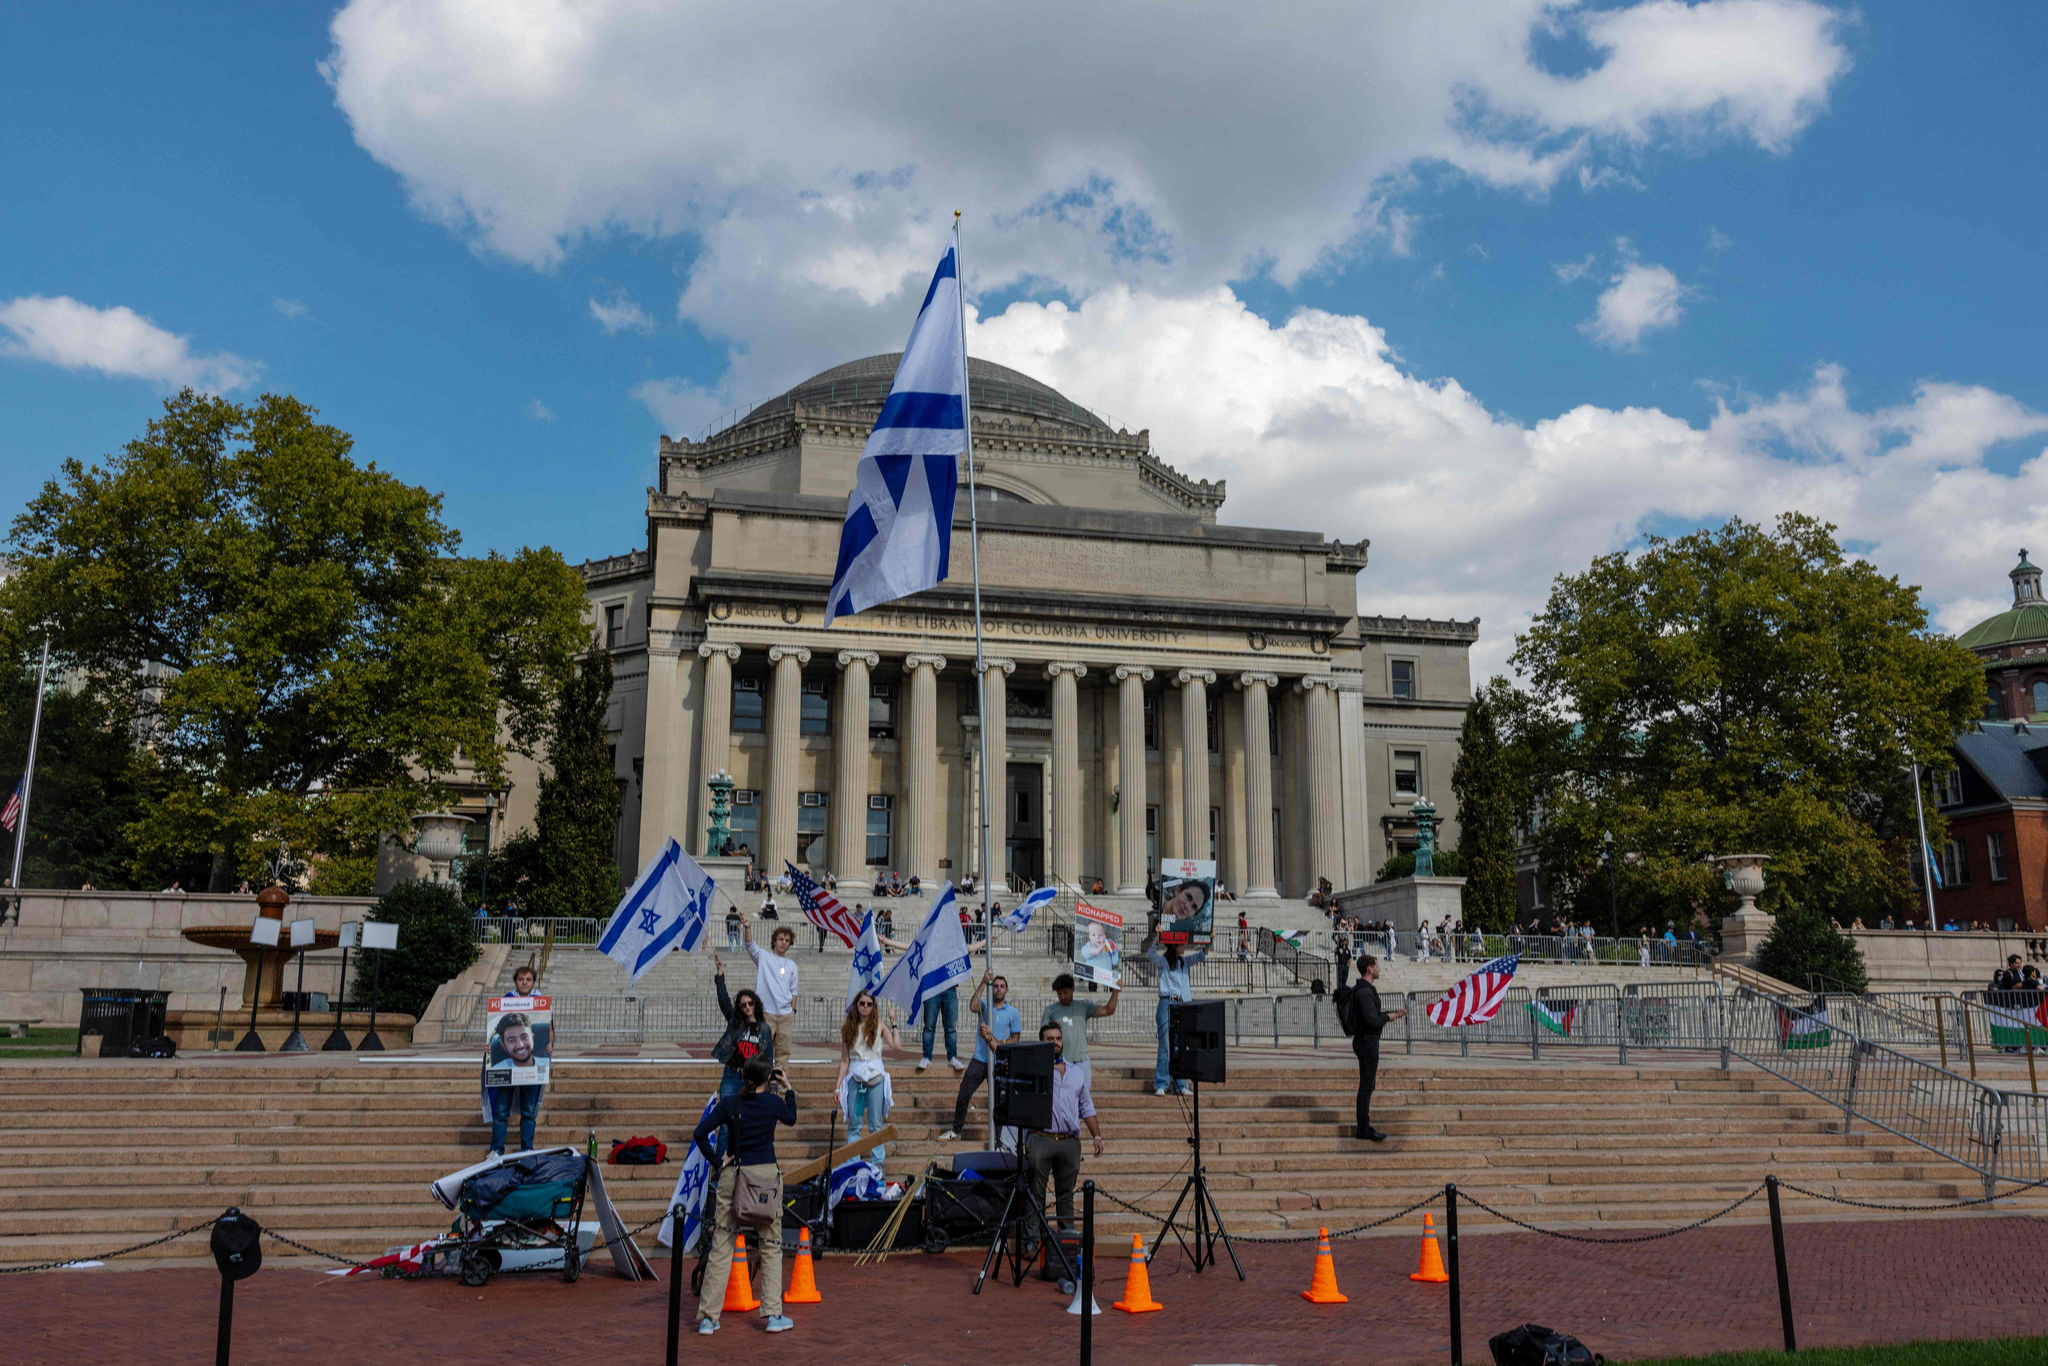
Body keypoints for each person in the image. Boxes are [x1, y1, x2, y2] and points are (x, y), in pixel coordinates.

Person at [693, 1056, 798, 1336]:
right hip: (765, 1176)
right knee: (771, 1245)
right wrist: (788, 1088)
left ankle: (708, 1318)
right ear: (768, 1078)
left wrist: (718, 1161)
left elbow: (700, 1133)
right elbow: (791, 1118)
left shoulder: (731, 1103)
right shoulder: (775, 1102)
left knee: (721, 1246)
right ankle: (773, 1314)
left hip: (734, 1174)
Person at [1020, 1021, 1103, 1261]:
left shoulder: (1076, 1072)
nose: (1055, 1042)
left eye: (1058, 1038)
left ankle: (1068, 1240)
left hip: (1069, 1141)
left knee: (1065, 1195)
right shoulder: (1034, 1069)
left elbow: (1086, 1105)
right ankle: (1031, 1242)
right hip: (1041, 1138)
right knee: (1035, 1193)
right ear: (1042, 1041)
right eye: (1049, 1039)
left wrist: (1096, 1135)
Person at [943, 969, 1022, 1141]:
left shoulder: (1013, 1013)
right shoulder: (985, 1006)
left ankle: (1000, 1139)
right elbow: (972, 1006)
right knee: (964, 1093)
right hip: (980, 1059)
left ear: (1007, 990)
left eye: (1002, 987)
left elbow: (1015, 1039)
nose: (999, 989)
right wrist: (984, 982)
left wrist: (997, 1043)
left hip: (1000, 1062)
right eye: (996, 986)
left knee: (999, 1102)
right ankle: (956, 1130)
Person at [1335, 952, 1405, 1141]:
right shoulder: (1364, 992)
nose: (1379, 968)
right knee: (1366, 1086)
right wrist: (1387, 1017)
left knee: (1367, 1085)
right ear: (1369, 969)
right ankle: (1363, 1127)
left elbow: (1373, 1015)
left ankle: (1364, 1126)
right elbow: (1372, 1020)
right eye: (1377, 965)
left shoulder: (1365, 990)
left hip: (1367, 1041)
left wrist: (1392, 1014)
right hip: (1367, 1042)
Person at [1142, 916, 1207, 1096]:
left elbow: (1202, 955)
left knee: (1180, 1045)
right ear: (1174, 946)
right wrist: (1158, 936)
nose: (1184, 947)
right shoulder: (1164, 962)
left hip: (1182, 1006)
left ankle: (1180, 1084)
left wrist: (1210, 939)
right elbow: (1151, 954)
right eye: (1181, 945)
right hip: (1166, 1004)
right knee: (1165, 1045)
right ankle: (1161, 1083)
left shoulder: (1184, 962)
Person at [486, 965, 545, 1156]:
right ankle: (496, 1149)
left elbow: (550, 1027)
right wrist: (488, 1045)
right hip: (507, 1070)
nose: (525, 983)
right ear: (516, 981)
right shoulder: (506, 1000)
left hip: (531, 1070)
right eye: (521, 979)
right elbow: (493, 1028)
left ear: (533, 982)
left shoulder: (540, 1001)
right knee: (501, 1109)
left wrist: (550, 1043)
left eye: (528, 979)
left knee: (528, 1110)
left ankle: (527, 1149)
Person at [837, 990, 900, 1165]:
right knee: (855, 1124)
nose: (865, 1007)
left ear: (873, 1007)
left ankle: (878, 1162)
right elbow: (844, 1060)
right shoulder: (848, 1028)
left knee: (875, 1124)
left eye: (869, 1004)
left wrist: (893, 1022)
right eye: (862, 1003)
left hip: (875, 1078)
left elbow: (896, 1045)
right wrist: (837, 1086)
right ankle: (853, 1162)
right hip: (856, 1078)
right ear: (856, 1005)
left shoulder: (879, 1025)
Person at [711, 953, 774, 1099]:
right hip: (732, 1074)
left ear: (755, 1004)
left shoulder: (764, 1029)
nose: (747, 1007)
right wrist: (720, 972)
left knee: (749, 1118)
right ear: (740, 1007)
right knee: (727, 1115)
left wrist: (771, 1084)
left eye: (750, 1003)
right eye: (743, 1005)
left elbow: (768, 1057)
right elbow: (723, 1000)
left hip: (753, 1078)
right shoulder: (735, 1021)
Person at [1039, 973, 1119, 1080]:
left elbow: (1108, 1010)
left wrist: (1115, 991)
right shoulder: (1050, 1010)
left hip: (1082, 1061)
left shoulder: (1084, 1006)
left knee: (1083, 1095)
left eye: (1066, 992)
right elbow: (1044, 1036)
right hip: (1060, 1061)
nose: (1062, 996)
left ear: (1073, 989)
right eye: (1059, 993)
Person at [744, 919, 800, 1066]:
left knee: (783, 1055)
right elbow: (750, 945)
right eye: (781, 939)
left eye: (787, 940)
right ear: (774, 940)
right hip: (766, 1013)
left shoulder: (792, 965)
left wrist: (793, 1010)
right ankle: (760, 1085)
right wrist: (747, 927)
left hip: (786, 1015)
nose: (784, 943)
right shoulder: (764, 956)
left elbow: (794, 990)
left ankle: (780, 1088)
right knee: (760, 1051)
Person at [917, 974, 963, 1073]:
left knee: (951, 1027)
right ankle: (927, 1057)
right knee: (929, 1026)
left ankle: (952, 1057)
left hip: (950, 986)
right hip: (932, 986)